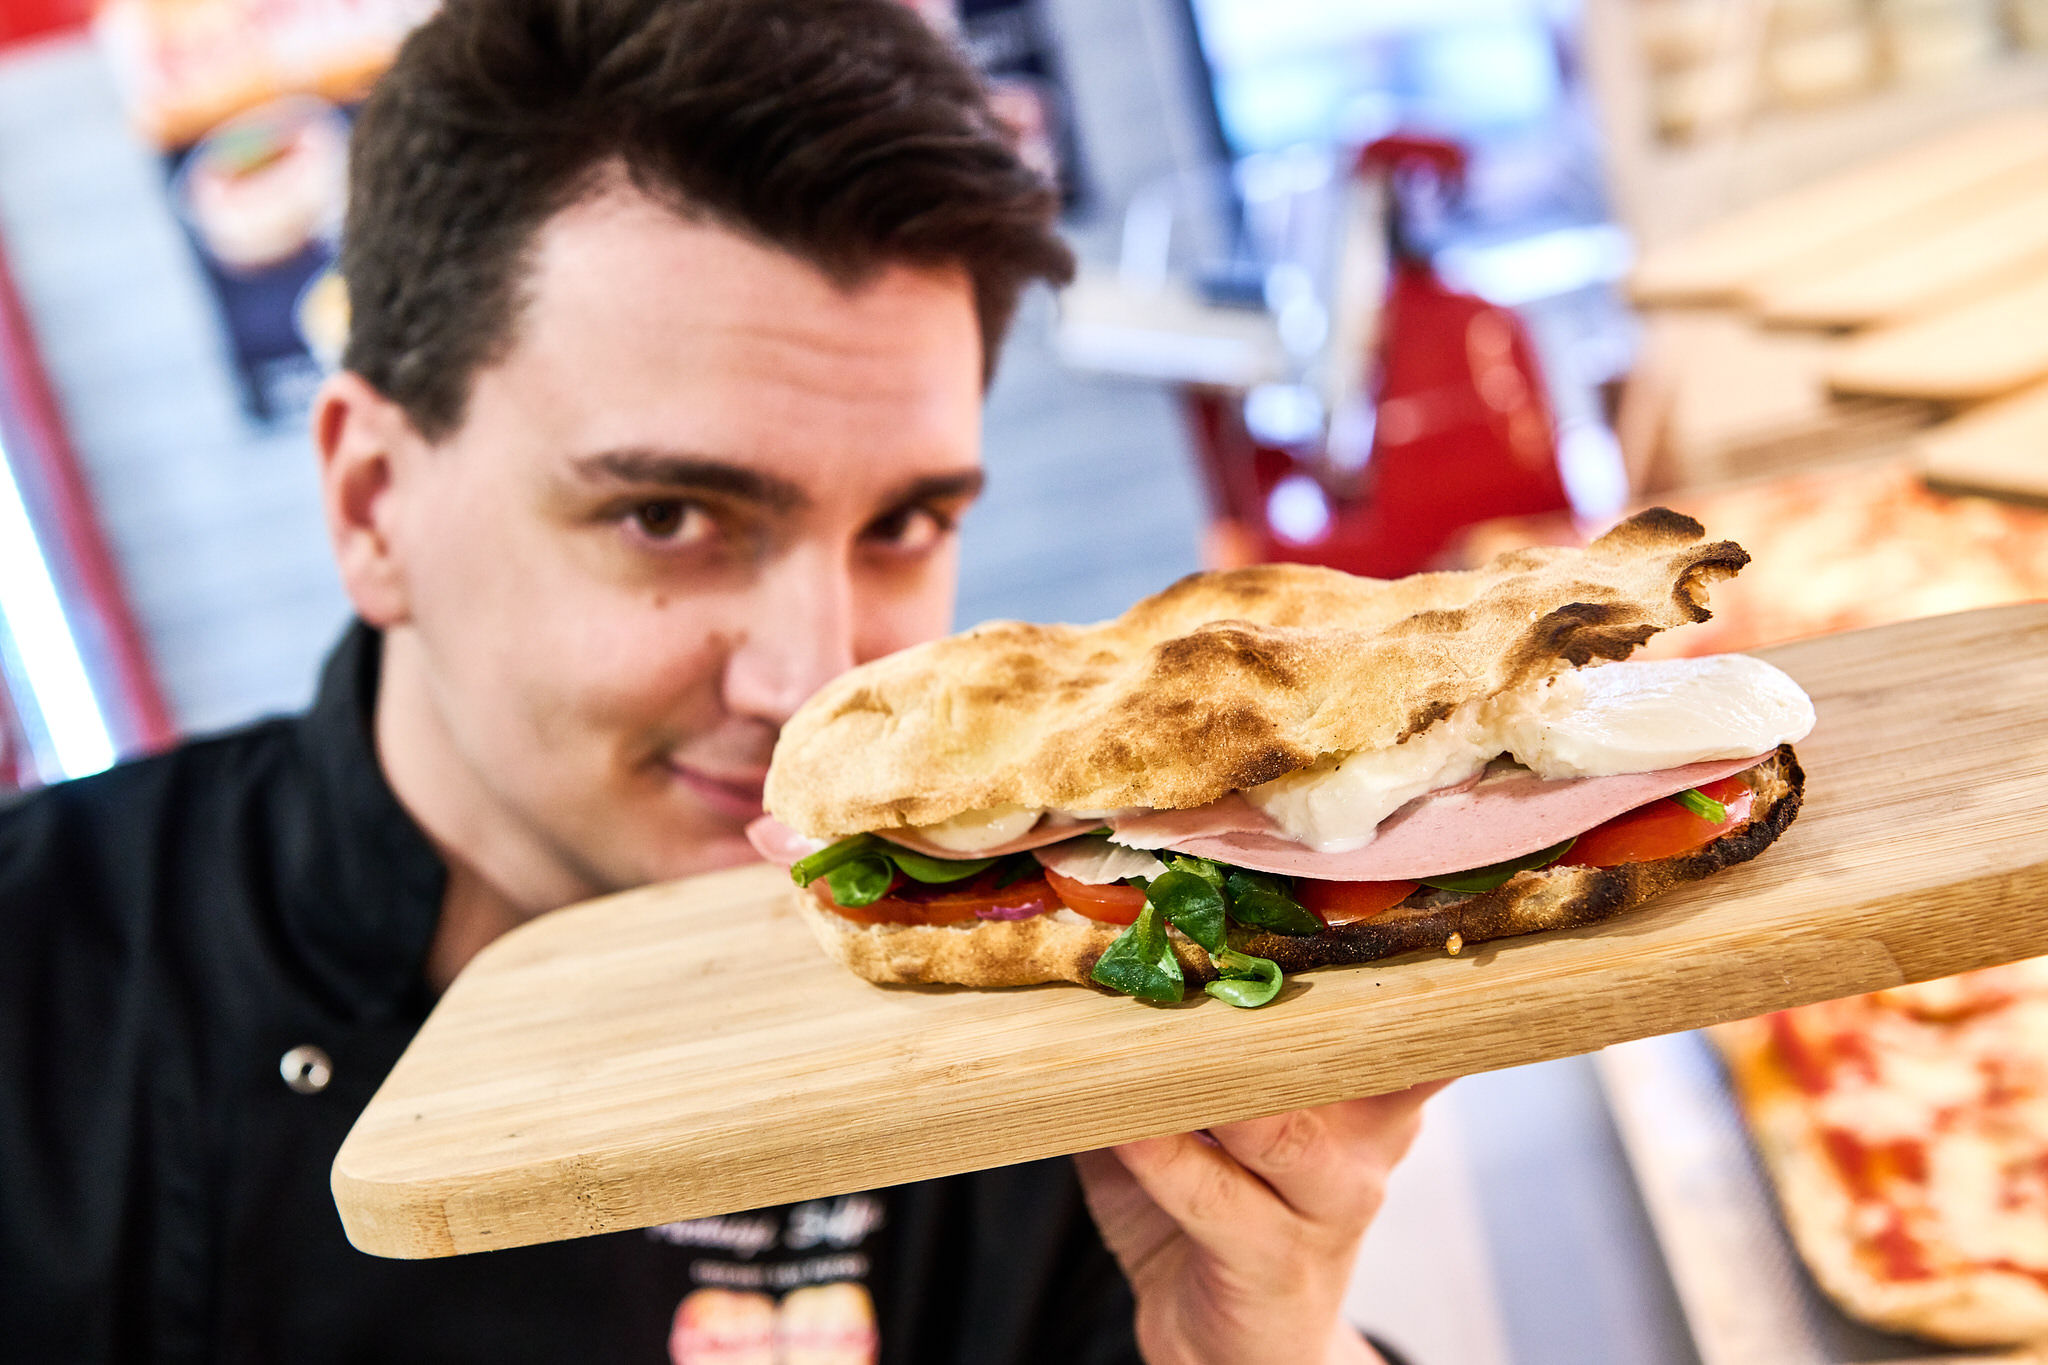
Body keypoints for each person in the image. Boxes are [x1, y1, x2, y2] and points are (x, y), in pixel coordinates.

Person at [0, 1, 1443, 1361]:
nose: (812, 680)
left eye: (903, 525)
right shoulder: (40, 982)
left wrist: (1268, 1341)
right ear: (374, 504)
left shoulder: (1046, 980)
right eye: (668, 515)